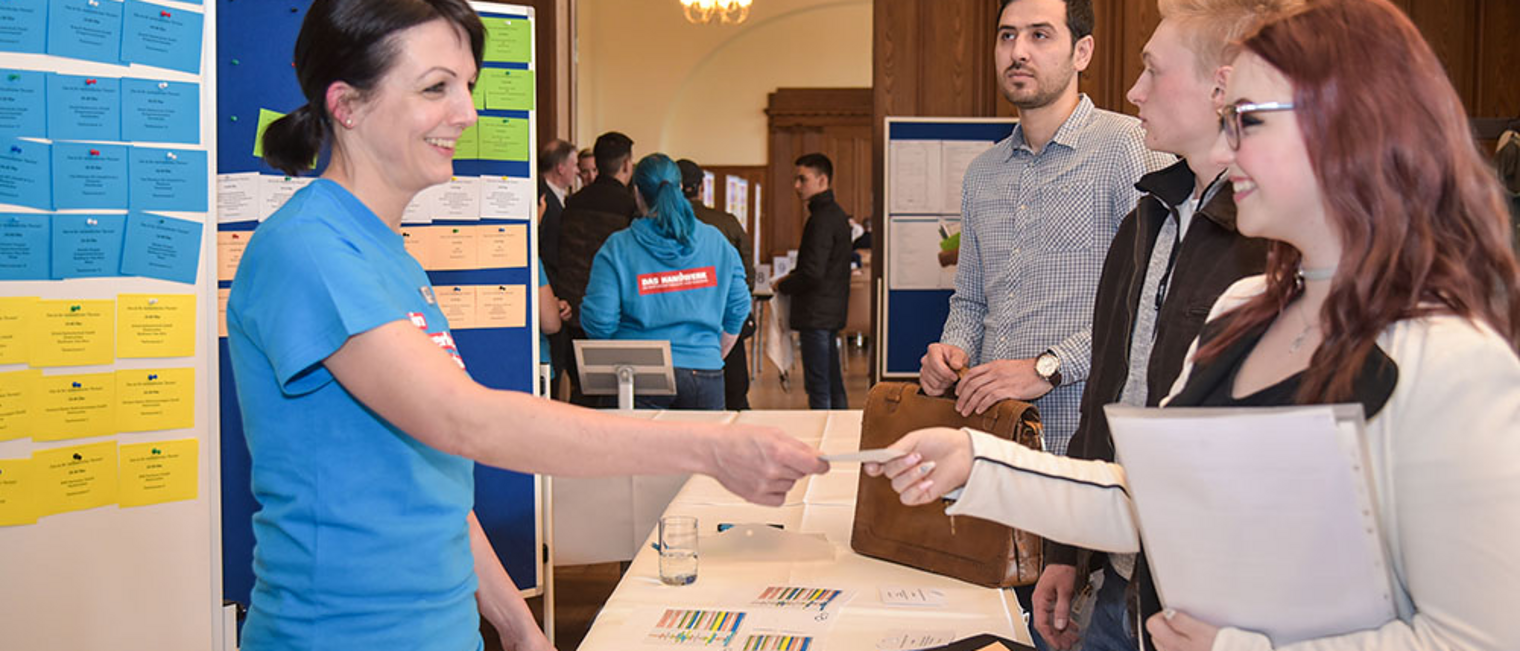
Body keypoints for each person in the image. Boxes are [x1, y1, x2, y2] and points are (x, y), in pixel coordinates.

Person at [871, 1, 1520, 650]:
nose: (1228, 141)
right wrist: (974, 459)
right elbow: (1153, 498)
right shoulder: (1242, 308)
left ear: (1344, 128)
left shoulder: (1453, 360)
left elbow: (1476, 637)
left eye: (1248, 120)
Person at [228, 2, 828, 649]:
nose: (466, 112)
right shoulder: (311, 249)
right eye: (437, 87)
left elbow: (432, 473)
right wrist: (710, 448)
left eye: (467, 86)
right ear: (346, 103)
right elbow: (468, 420)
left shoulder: (389, 258)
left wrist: (516, 623)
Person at [1032, 1, 1287, 648]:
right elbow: (1108, 400)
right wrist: (1068, 548)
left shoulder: (1275, 244)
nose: (1132, 91)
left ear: (1222, 86)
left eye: (1152, 70)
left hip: (1210, 604)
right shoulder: (1147, 216)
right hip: (1120, 578)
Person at [917, 0, 1170, 459]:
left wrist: (1048, 367)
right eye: (1007, 36)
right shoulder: (982, 173)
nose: (1018, 51)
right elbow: (972, 300)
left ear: (1082, 52)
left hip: (1089, 435)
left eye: (1040, 35)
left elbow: (1153, 298)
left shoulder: (1128, 147)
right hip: (994, 431)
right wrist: (950, 352)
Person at [580, 154, 750, 410]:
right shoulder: (715, 241)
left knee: (637, 452)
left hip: (634, 374)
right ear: (680, 188)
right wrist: (711, 350)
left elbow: (600, 320)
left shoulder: (617, 247)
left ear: (636, 192)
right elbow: (738, 306)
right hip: (703, 371)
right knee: (700, 451)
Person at [556, 131, 638, 405]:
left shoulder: (571, 204)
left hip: (573, 315)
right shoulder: (630, 208)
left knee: (583, 391)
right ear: (627, 165)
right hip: (616, 317)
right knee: (618, 396)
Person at [775, 153, 853, 410]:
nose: (797, 186)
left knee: (819, 387)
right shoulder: (834, 214)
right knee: (832, 383)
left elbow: (812, 272)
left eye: (802, 179)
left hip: (816, 313)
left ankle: (825, 445)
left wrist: (783, 284)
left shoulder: (821, 219)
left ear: (822, 180)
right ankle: (844, 440)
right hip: (828, 311)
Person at [678, 158, 756, 410]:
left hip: (679, 332)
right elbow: (748, 277)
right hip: (724, 323)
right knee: (734, 395)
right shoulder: (727, 222)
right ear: (702, 187)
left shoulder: (659, 227)